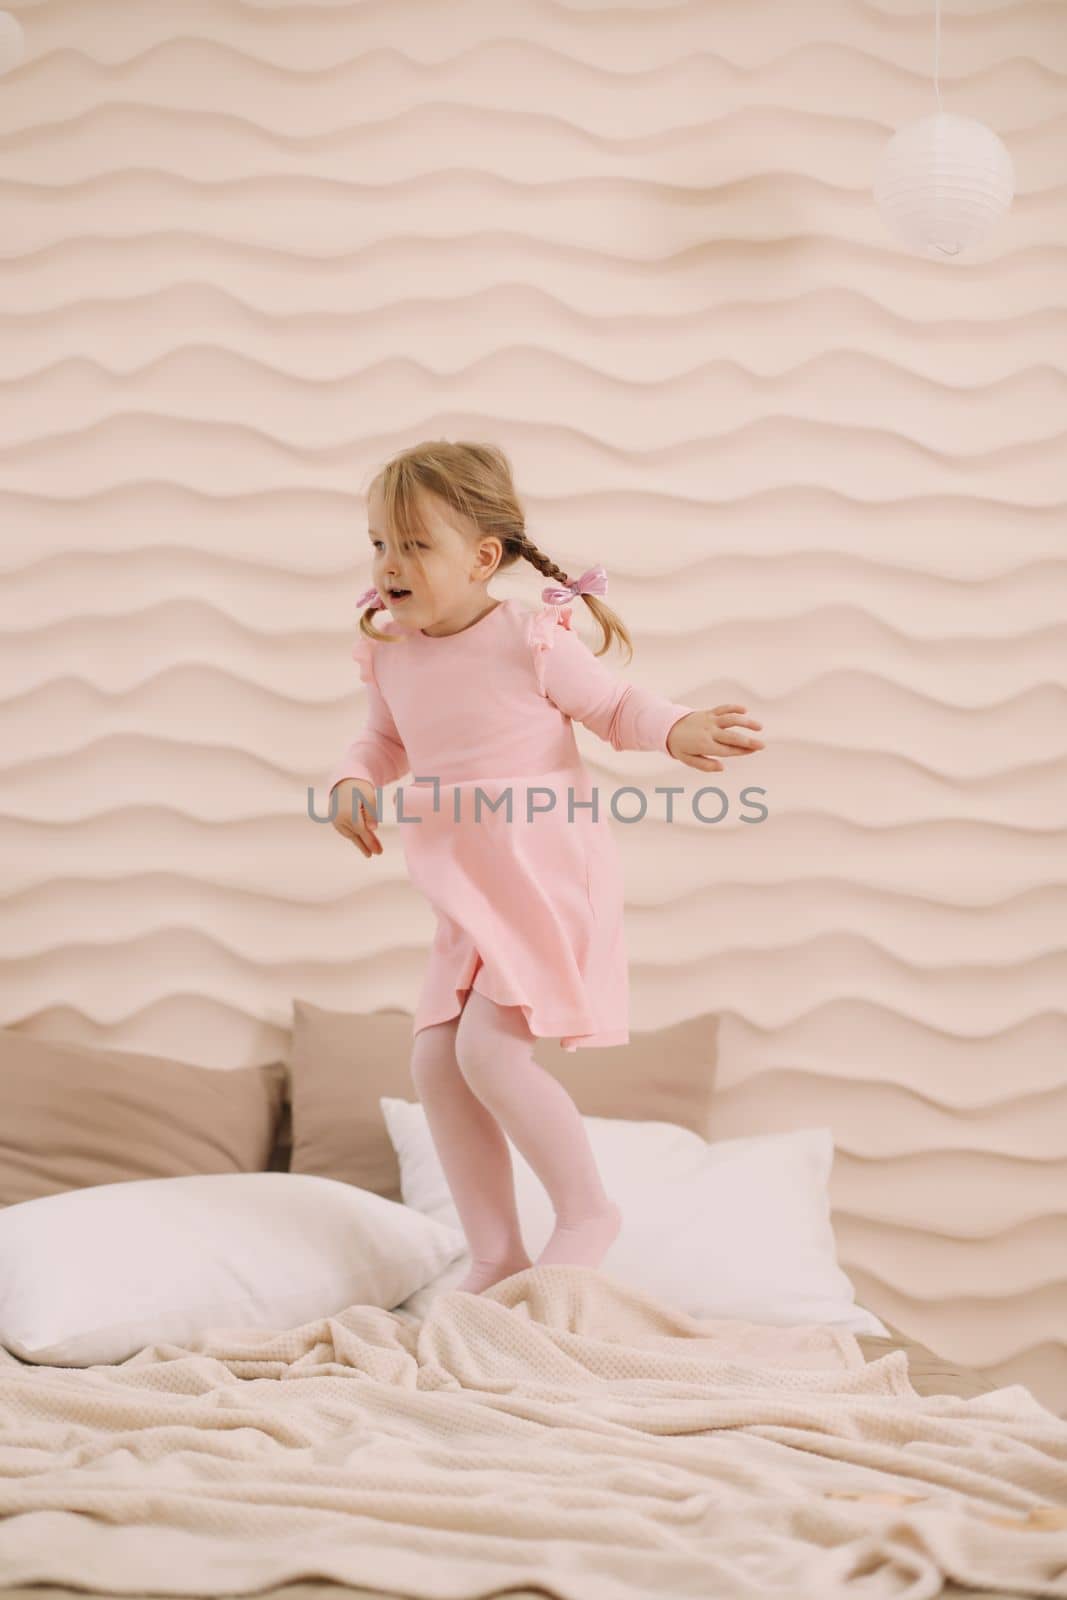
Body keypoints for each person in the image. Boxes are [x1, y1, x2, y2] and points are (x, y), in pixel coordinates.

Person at [326, 441, 765, 1295]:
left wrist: (675, 729)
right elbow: (382, 741)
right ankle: (495, 1252)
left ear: (482, 558)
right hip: (464, 885)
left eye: (415, 544)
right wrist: (354, 780)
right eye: (379, 542)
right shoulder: (391, 652)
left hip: (546, 874)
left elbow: (612, 707)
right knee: (432, 1062)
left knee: (491, 1054)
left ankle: (586, 1210)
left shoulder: (528, 639)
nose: (390, 564)